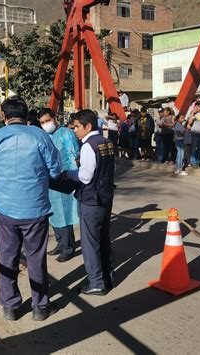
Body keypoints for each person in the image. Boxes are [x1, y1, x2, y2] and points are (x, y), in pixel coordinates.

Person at [0, 97, 62, 321]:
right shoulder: (40, 136)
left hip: (5, 209)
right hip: (35, 208)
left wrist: (2, 181)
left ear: (5, 117)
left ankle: (10, 306)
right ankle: (40, 306)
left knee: (8, 257)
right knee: (35, 257)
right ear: (26, 115)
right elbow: (55, 169)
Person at [66, 109, 115, 296]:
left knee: (89, 243)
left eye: (77, 126)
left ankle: (96, 282)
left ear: (88, 126)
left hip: (91, 199)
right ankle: (107, 277)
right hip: (105, 196)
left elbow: (85, 176)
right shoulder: (106, 142)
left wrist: (68, 174)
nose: (74, 130)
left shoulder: (88, 145)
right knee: (103, 239)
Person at [39, 108, 80, 262]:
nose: (45, 124)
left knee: (65, 214)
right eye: (42, 122)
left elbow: (74, 154)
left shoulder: (65, 133)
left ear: (54, 118)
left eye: (47, 121)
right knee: (54, 213)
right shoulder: (44, 136)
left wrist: (72, 175)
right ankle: (60, 243)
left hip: (64, 178)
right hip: (50, 180)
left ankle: (68, 248)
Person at [187, 101, 200, 168]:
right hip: (194, 134)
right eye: (196, 106)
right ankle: (193, 163)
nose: (197, 107)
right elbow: (189, 122)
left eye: (199, 106)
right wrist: (193, 114)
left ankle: (197, 163)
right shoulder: (194, 114)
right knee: (193, 149)